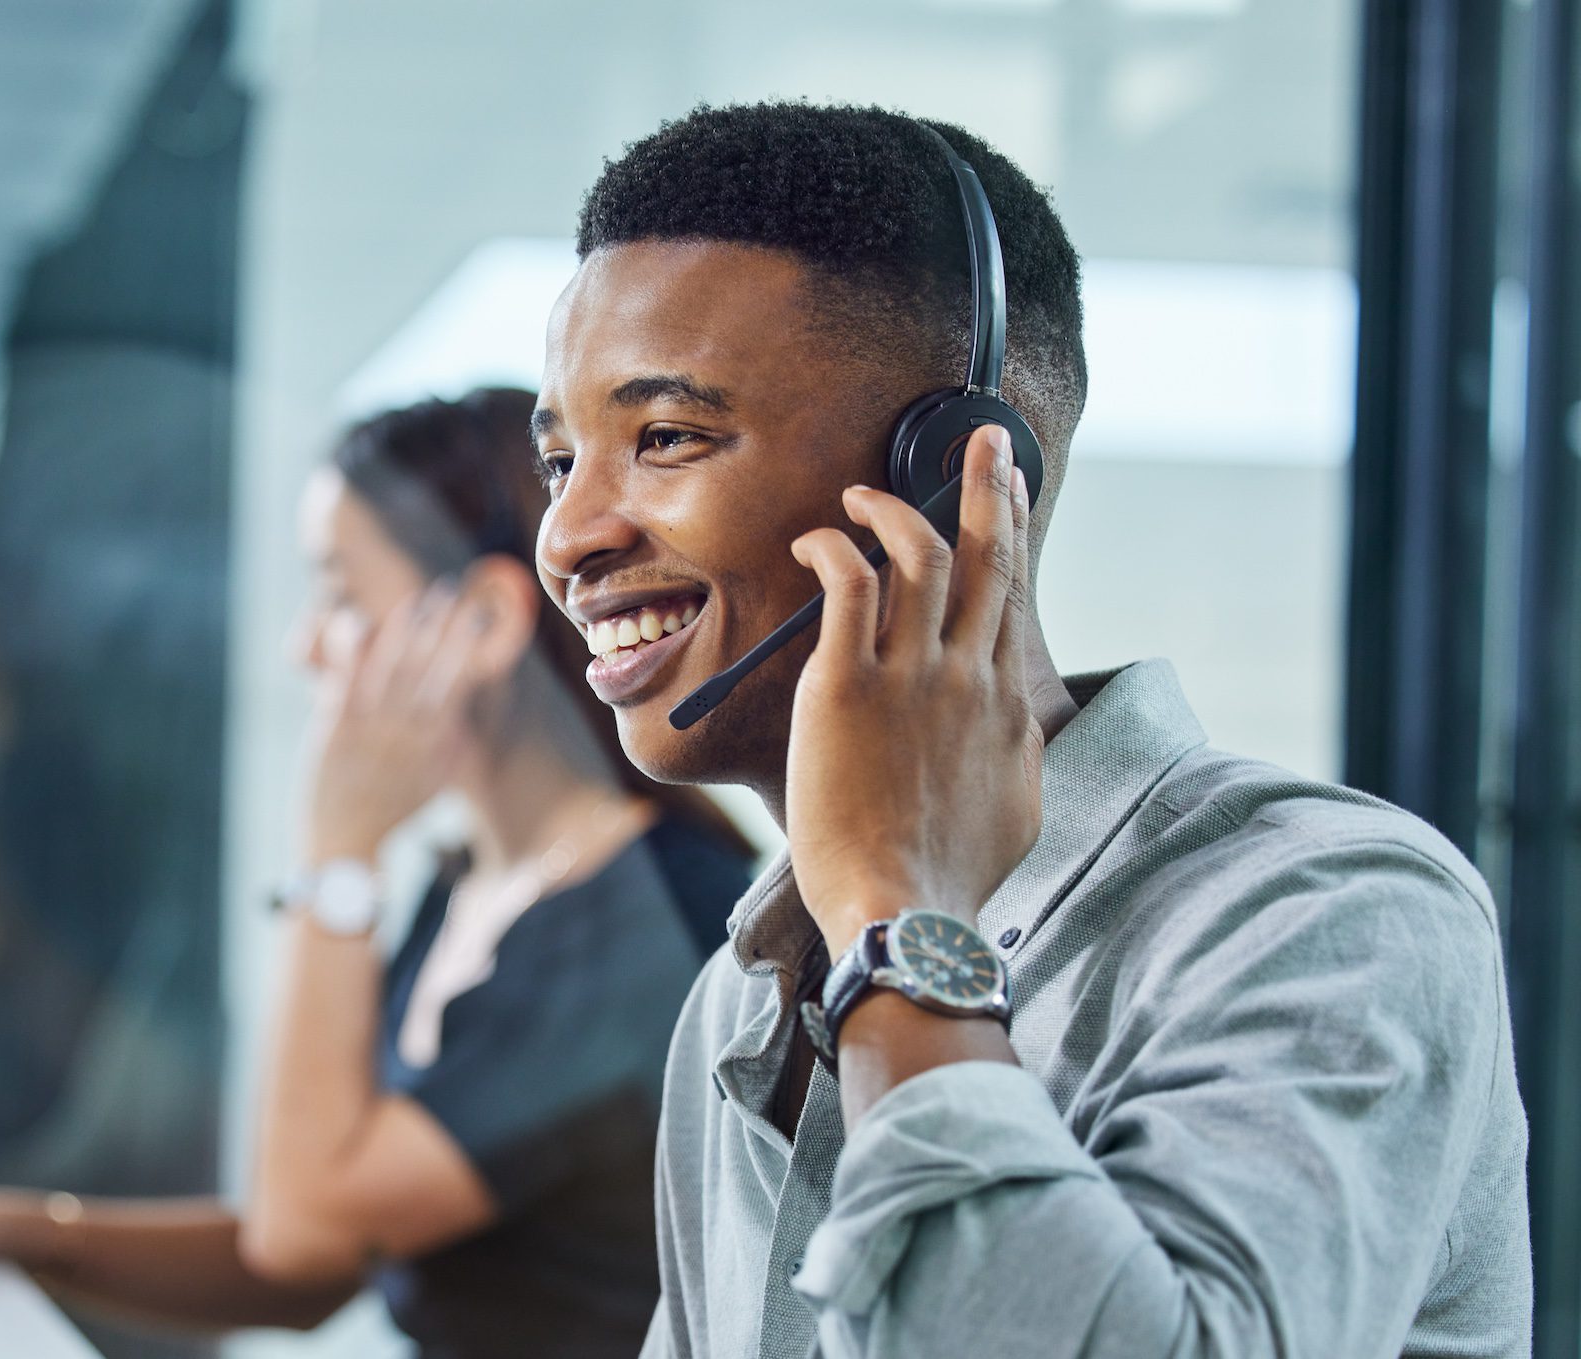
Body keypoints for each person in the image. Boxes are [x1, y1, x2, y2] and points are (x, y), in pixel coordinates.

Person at [530, 103, 1531, 1357]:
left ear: (952, 473)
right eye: (560, 461)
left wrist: (903, 926)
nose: (566, 539)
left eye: (666, 437)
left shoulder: (1328, 913)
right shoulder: (738, 1007)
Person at [0, 388, 755, 1359]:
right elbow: (317, 1255)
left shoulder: (640, 928)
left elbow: (303, 1238)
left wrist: (337, 855)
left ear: (482, 623)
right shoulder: (482, 886)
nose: (309, 647)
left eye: (340, 596)